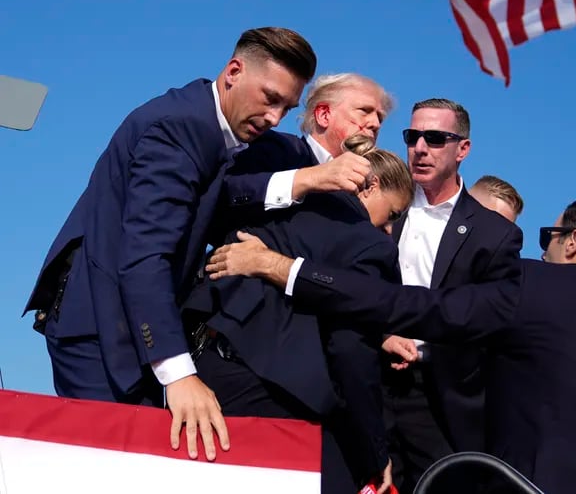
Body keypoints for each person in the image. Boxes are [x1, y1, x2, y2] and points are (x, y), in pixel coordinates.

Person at [208, 195, 576, 493]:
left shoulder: (530, 287)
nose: (542, 250)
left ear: (573, 242)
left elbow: (411, 306)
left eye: (549, 237)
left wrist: (286, 269)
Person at [24, 27, 323, 461]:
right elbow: (145, 256)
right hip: (99, 332)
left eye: (287, 107)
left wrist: (303, 181)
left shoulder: (210, 126)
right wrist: (179, 373)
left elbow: (219, 194)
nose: (275, 118)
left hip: (128, 332)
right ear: (233, 71)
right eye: (270, 98)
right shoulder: (179, 128)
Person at [185, 134, 413, 493]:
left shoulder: (286, 204)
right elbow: (350, 348)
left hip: (201, 368)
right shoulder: (371, 246)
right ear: (371, 187)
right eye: (393, 215)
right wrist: (375, 449)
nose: (389, 230)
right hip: (273, 394)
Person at [366, 98, 522, 492]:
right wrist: (381, 335)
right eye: (412, 136)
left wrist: (426, 350)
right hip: (368, 381)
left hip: (442, 399)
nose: (420, 147)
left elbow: (492, 324)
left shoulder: (494, 234)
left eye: (435, 138)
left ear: (463, 149)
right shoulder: (379, 205)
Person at [216, 72, 392, 238]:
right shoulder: (279, 149)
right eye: (364, 110)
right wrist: (310, 178)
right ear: (323, 115)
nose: (375, 124)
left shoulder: (368, 190)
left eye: (380, 118)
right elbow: (225, 194)